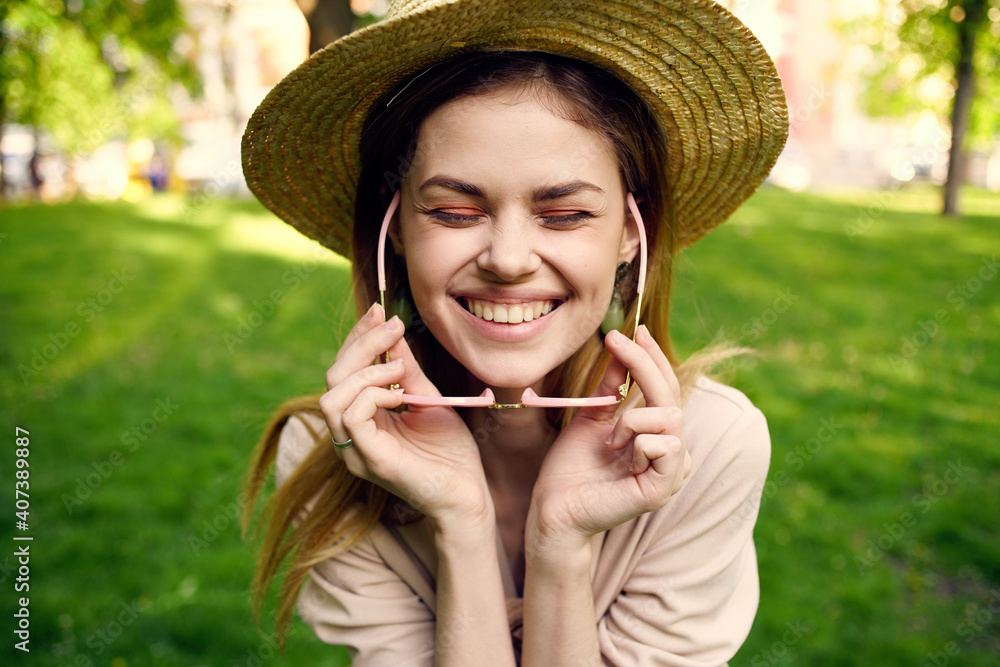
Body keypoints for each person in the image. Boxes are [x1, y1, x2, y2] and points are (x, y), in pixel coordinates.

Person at [241, 1, 788, 665]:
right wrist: (460, 523)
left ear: (628, 233)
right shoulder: (335, 454)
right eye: (452, 210)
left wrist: (561, 545)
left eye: (563, 214)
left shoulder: (712, 444)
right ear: (396, 234)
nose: (507, 258)